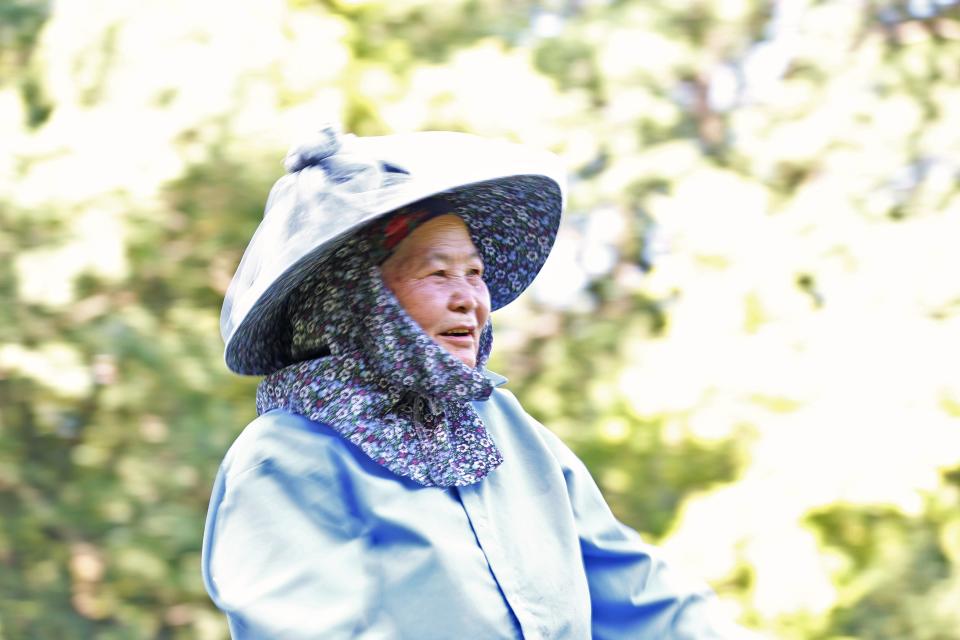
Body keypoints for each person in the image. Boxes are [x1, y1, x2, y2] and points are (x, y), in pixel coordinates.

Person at [201, 126, 746, 639]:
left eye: (476, 272)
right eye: (438, 273)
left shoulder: (504, 427)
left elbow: (640, 598)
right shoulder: (283, 460)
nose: (470, 299)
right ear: (356, 302)